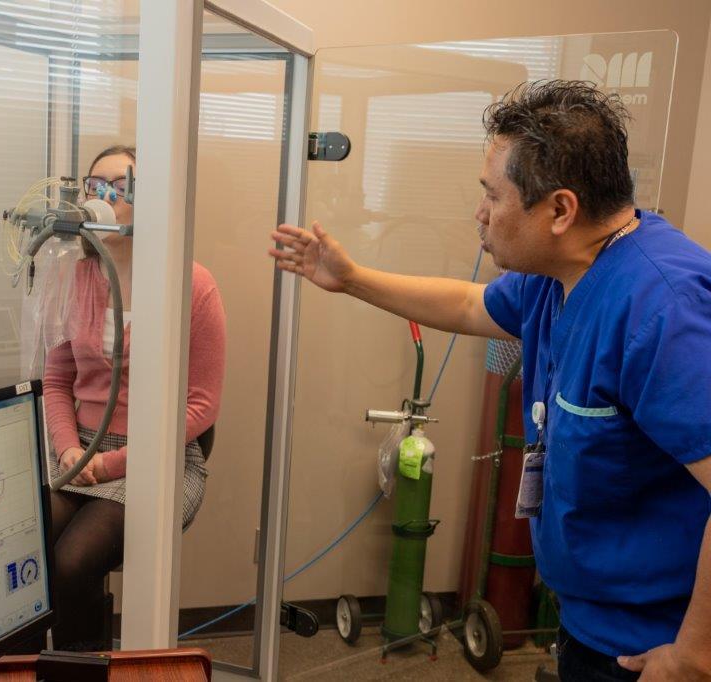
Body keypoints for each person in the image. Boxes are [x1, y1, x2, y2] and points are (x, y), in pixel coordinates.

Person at [269, 81, 711, 682]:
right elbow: (474, 307)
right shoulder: (560, 269)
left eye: (491, 196)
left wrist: (693, 656)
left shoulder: (663, 308)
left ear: (560, 210)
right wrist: (350, 278)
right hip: (590, 624)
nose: (479, 214)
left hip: (655, 647)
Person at [43, 145, 227, 651]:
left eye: (119, 187)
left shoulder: (193, 286)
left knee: (71, 562)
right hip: (77, 450)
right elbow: (56, 381)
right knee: (25, 549)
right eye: (94, 186)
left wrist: (109, 465)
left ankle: (82, 672)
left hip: (157, 456)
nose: (103, 198)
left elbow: (200, 407)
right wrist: (67, 451)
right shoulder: (76, 278)